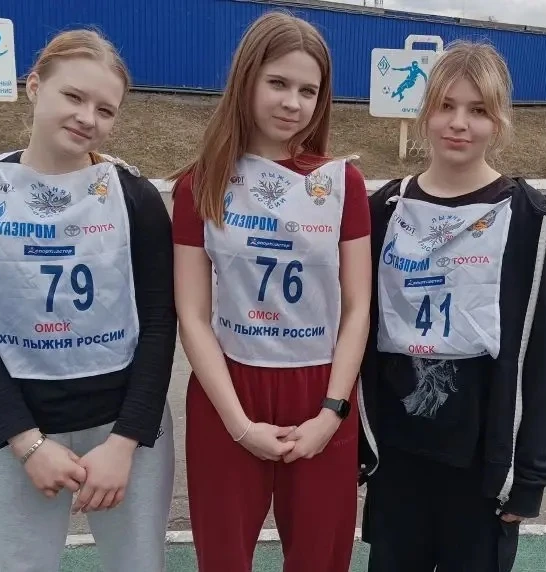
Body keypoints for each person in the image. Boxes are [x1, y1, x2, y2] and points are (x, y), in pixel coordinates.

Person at [0, 29, 178, 570]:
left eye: (105, 109)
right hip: (18, 433)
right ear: (34, 86)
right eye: (73, 96)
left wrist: (126, 442)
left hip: (125, 432)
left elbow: (161, 324)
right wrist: (26, 444)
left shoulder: (134, 199)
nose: (88, 117)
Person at [357, 40, 546, 571]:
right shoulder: (383, 210)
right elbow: (356, 330)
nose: (459, 123)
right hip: (397, 459)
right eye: (446, 106)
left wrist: (531, 475)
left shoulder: (532, 219)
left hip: (481, 470)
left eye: (478, 110)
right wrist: (359, 443)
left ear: (498, 122)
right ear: (425, 112)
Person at [170, 11, 371, 572]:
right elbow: (192, 314)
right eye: (278, 83)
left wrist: (332, 412)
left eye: (309, 90)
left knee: (320, 558)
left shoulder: (342, 184)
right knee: (223, 558)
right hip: (229, 389)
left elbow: (358, 308)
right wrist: (238, 424)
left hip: (320, 390)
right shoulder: (199, 184)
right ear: (246, 80)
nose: (292, 103)